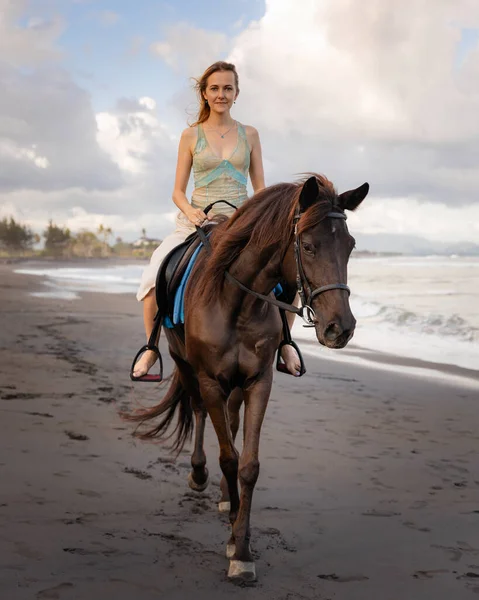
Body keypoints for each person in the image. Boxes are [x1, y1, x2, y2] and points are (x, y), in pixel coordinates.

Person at [133, 61, 301, 379]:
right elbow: (177, 192)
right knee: (153, 277)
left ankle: (285, 344)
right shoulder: (190, 135)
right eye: (215, 88)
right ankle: (151, 347)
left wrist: (260, 219)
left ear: (236, 94)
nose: (221, 94)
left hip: (241, 224)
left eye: (227, 88)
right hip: (196, 222)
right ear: (205, 94)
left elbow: (260, 188)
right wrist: (191, 212)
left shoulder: (250, 134)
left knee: (288, 278)